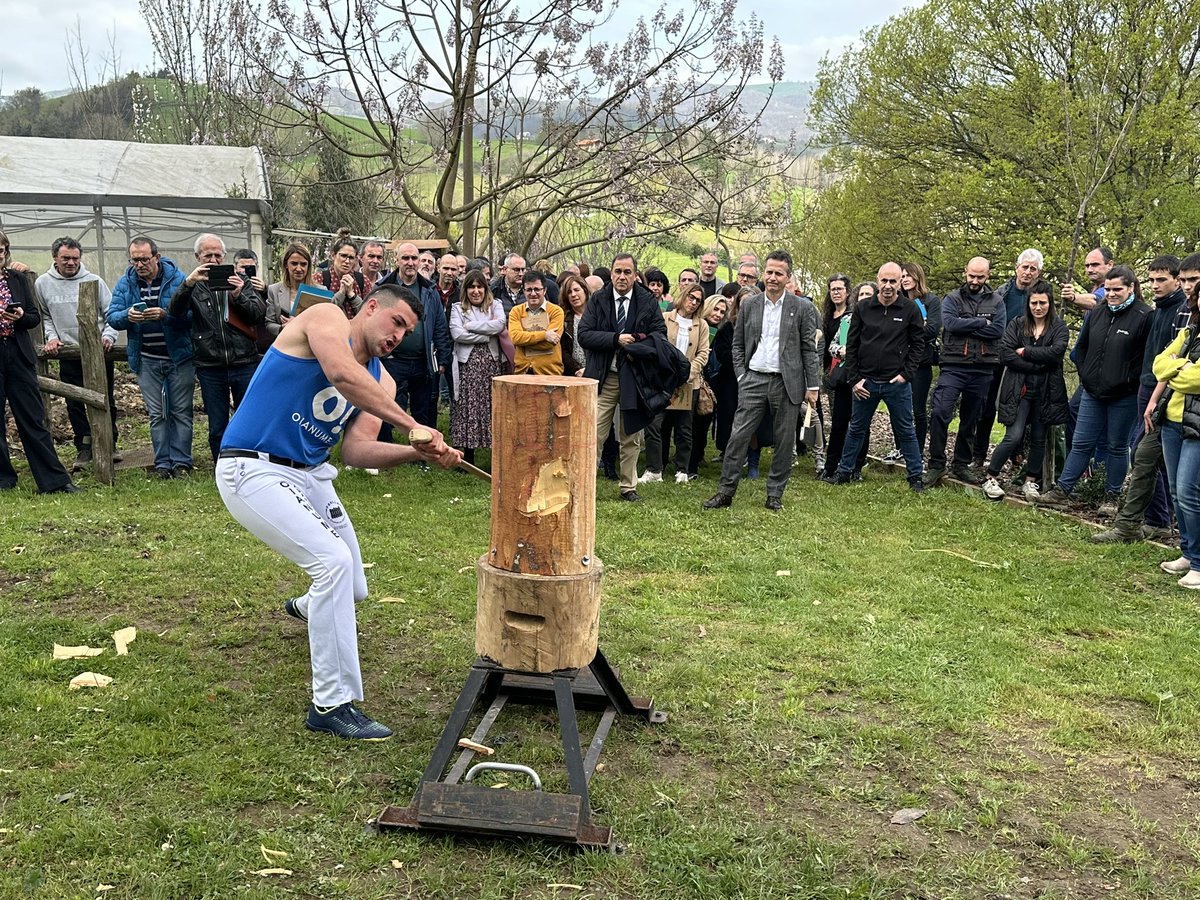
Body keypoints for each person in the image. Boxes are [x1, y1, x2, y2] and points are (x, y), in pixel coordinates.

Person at [216, 283, 460, 740]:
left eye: (407, 331)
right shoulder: (325, 318)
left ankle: (309, 607)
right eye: (397, 323)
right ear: (370, 308)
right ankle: (330, 704)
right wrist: (413, 425)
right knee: (333, 564)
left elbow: (358, 451)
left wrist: (418, 453)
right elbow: (342, 375)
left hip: (309, 474)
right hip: (252, 467)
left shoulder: (383, 380)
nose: (399, 337)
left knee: (355, 587)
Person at [1092, 253, 1200, 544]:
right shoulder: (1173, 312)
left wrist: (1170, 375)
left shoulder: (1182, 310)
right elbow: (1161, 362)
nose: (1189, 287)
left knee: (1182, 484)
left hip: (1185, 408)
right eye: (1151, 279)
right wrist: (1159, 390)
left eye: (1193, 280)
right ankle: (1137, 525)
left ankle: (1183, 543)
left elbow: (1193, 376)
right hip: (1160, 397)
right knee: (1144, 457)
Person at [703, 250, 820, 511]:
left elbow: (808, 350)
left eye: (779, 273)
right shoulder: (750, 305)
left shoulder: (802, 308)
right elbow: (737, 345)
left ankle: (775, 494)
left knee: (784, 440)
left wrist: (812, 386)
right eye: (769, 272)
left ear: (788, 277)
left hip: (786, 382)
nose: (773, 277)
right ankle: (725, 492)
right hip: (753, 379)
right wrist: (742, 376)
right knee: (738, 436)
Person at [1036, 266, 1151, 509]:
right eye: (1108, 289)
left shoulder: (1144, 316)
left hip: (1124, 395)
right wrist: (1087, 375)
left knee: (1117, 446)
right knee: (1081, 442)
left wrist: (1129, 381)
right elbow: (1082, 348)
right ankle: (1063, 491)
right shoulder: (1098, 312)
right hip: (1092, 392)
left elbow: (1146, 358)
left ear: (1131, 288)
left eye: (1117, 289)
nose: (1111, 294)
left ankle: (1111, 497)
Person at [821, 263, 925, 491]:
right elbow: (853, 345)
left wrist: (906, 375)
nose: (888, 286)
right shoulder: (863, 308)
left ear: (900, 282)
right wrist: (854, 379)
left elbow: (918, 345)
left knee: (906, 430)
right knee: (856, 429)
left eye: (893, 281)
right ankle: (844, 472)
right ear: (877, 281)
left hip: (896, 383)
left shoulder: (910, 310)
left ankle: (916, 476)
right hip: (865, 382)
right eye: (884, 281)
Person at [578, 252, 671, 501]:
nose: (622, 277)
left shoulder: (647, 300)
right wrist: (615, 339)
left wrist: (636, 344)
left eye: (627, 272)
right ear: (611, 273)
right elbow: (584, 334)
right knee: (593, 434)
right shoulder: (598, 299)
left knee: (631, 435)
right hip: (604, 377)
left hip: (635, 379)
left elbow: (659, 335)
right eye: (617, 271)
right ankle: (586, 485)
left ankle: (628, 487)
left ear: (635, 275)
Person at [170, 234, 267, 462]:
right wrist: (188, 284)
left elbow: (256, 315)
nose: (213, 260)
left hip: (244, 361)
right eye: (207, 255)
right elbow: (174, 313)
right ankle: (222, 467)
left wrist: (238, 294)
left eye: (217, 255)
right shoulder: (192, 285)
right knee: (217, 424)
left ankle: (251, 465)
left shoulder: (240, 280)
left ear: (224, 256)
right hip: (210, 366)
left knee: (249, 418)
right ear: (197, 257)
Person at [107, 236, 193, 478]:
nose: (139, 264)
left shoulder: (179, 280)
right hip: (146, 358)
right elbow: (112, 316)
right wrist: (128, 315)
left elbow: (192, 317)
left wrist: (166, 315)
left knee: (181, 412)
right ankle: (163, 464)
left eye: (144, 259)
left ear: (157, 256)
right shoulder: (126, 283)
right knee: (157, 414)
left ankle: (182, 463)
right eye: (135, 259)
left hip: (178, 357)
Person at [0, 233, 79, 493]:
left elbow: (33, 317)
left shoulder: (17, 279)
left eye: (2, 250)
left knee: (33, 419)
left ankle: (54, 480)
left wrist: (20, 316)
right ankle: (4, 478)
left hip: (18, 353)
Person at [34, 237, 119, 469]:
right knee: (74, 402)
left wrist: (108, 336)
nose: (71, 263)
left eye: (75, 258)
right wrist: (52, 338)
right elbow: (45, 316)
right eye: (66, 258)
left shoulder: (94, 281)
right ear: (55, 258)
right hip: (69, 352)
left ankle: (110, 444)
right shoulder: (43, 284)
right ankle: (84, 445)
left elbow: (111, 312)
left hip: (99, 352)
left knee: (105, 398)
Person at [979, 281, 1068, 502]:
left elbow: (1056, 353)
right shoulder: (1017, 324)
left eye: (1043, 303)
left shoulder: (1058, 327)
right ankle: (991, 477)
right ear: (1028, 303)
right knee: (1013, 436)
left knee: (1039, 438)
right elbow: (1005, 353)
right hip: (1019, 389)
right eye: (1034, 303)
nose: (1038, 307)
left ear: (1050, 303)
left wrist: (1025, 352)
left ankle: (1031, 482)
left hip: (1046, 392)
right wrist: (1037, 362)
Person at [924, 257, 1006, 486]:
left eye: (980, 276)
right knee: (940, 411)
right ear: (965, 273)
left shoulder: (997, 301)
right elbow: (950, 324)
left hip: (983, 368)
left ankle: (961, 463)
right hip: (953, 366)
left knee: (971, 418)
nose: (975, 280)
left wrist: (967, 324)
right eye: (972, 275)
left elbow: (998, 330)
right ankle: (936, 464)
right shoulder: (951, 298)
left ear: (987, 276)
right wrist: (981, 323)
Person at [970, 249, 1043, 470]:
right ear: (1016, 268)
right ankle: (979, 454)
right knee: (986, 405)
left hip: (1023, 359)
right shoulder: (1001, 293)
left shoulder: (1040, 298)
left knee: (1019, 406)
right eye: (1025, 267)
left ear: (1038, 272)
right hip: (995, 355)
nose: (1028, 272)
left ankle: (1016, 453)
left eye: (1033, 269)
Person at [1151, 281, 1200, 588]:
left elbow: (1196, 380)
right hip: (1173, 419)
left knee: (1189, 492)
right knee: (1176, 491)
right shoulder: (1189, 332)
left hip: (1198, 424)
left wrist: (1177, 368)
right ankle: (1187, 551)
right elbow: (1158, 365)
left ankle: (1199, 562)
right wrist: (1181, 366)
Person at [377, 242, 451, 432]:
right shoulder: (384, 288)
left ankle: (422, 454)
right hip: (392, 360)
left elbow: (440, 326)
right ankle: (385, 451)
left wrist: (443, 358)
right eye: (405, 258)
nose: (410, 262)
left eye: (414, 258)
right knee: (387, 407)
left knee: (423, 410)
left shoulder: (429, 290)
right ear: (396, 260)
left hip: (422, 361)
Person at [640, 284, 710, 484]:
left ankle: (682, 469)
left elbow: (703, 353)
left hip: (689, 382)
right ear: (683, 296)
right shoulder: (665, 317)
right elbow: (656, 345)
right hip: (662, 381)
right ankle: (654, 469)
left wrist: (689, 371)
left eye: (698, 300)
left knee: (684, 428)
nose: (693, 302)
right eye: (691, 297)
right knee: (654, 424)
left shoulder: (702, 325)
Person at [449, 270, 506, 463]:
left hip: (491, 364)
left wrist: (470, 326)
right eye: (471, 287)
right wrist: (485, 335)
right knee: (468, 406)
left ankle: (495, 457)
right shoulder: (458, 308)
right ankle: (468, 457)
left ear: (485, 288)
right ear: (466, 290)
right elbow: (457, 334)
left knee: (491, 406)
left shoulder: (495, 305)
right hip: (467, 366)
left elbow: (499, 325)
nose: (475, 291)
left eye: (479, 286)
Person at [820, 276, 866, 480]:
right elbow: (834, 347)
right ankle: (831, 466)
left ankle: (856, 467)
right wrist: (847, 351)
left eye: (869, 295)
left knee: (860, 424)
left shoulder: (882, 321)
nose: (864, 298)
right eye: (862, 294)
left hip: (867, 379)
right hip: (844, 375)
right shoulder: (848, 320)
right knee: (839, 422)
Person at [899, 261, 941, 456]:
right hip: (898, 362)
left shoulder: (930, 301)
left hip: (921, 363)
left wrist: (907, 329)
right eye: (903, 276)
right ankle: (900, 448)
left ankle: (917, 450)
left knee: (918, 409)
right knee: (899, 409)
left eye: (909, 275)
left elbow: (932, 329)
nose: (905, 279)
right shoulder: (898, 301)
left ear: (917, 277)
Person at [687, 294, 728, 478]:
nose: (718, 314)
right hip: (691, 376)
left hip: (712, 383)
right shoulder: (693, 326)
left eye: (722, 312)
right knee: (687, 424)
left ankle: (695, 461)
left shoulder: (722, 332)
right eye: (716, 309)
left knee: (702, 423)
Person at [508, 270, 564, 375]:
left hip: (550, 373)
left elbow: (550, 343)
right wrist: (545, 335)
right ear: (523, 291)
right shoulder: (516, 311)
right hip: (522, 372)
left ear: (545, 290)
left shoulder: (556, 311)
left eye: (537, 289)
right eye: (529, 290)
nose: (533, 293)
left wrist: (524, 341)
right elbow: (515, 338)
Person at [266, 242, 314, 341]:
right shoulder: (274, 290)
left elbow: (324, 323)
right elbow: (269, 323)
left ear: (308, 266)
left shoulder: (319, 291)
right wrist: (282, 328)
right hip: (285, 346)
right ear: (286, 265)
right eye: (294, 263)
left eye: (303, 264)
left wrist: (298, 324)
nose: (299, 268)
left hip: (310, 348)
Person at [314, 231, 365, 318]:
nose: (347, 261)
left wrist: (351, 295)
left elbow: (368, 315)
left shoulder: (362, 280)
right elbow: (318, 313)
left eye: (351, 258)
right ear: (333, 255)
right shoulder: (319, 279)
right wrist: (341, 293)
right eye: (343, 256)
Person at [559, 274, 591, 378]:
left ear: (585, 291)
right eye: (569, 292)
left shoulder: (598, 316)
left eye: (577, 290)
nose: (573, 295)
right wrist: (576, 369)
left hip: (596, 370)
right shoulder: (563, 319)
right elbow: (562, 350)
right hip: (573, 374)